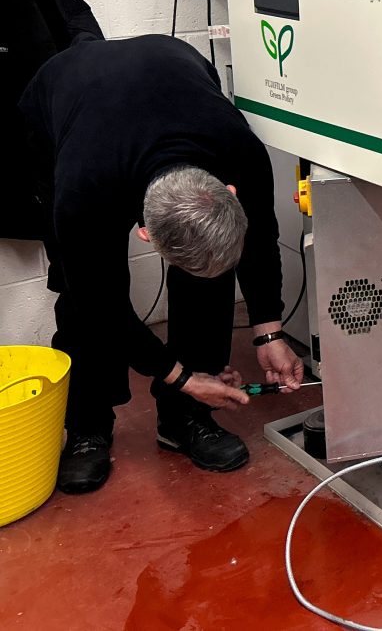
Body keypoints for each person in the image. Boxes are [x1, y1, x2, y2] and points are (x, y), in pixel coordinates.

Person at [18, 33, 304, 494]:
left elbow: (262, 238)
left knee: (209, 276)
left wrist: (267, 331)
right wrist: (181, 375)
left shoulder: (241, 152)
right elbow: (100, 302)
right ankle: (89, 426)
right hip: (59, 117)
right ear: (143, 232)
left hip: (171, 69)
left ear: (231, 193)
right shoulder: (83, 188)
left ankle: (182, 419)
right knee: (83, 290)